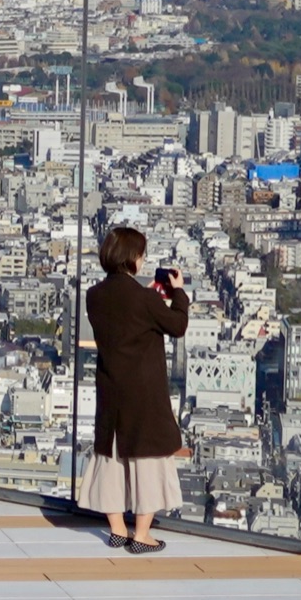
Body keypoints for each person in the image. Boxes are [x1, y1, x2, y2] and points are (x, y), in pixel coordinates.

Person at [78, 224, 192, 551]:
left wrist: (153, 297)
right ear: (133, 258)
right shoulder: (144, 298)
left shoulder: (94, 295)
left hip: (110, 385)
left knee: (110, 457)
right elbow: (178, 325)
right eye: (141, 255)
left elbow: (126, 320)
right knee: (148, 459)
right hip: (144, 390)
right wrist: (178, 293)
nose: (142, 260)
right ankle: (141, 535)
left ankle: (116, 529)